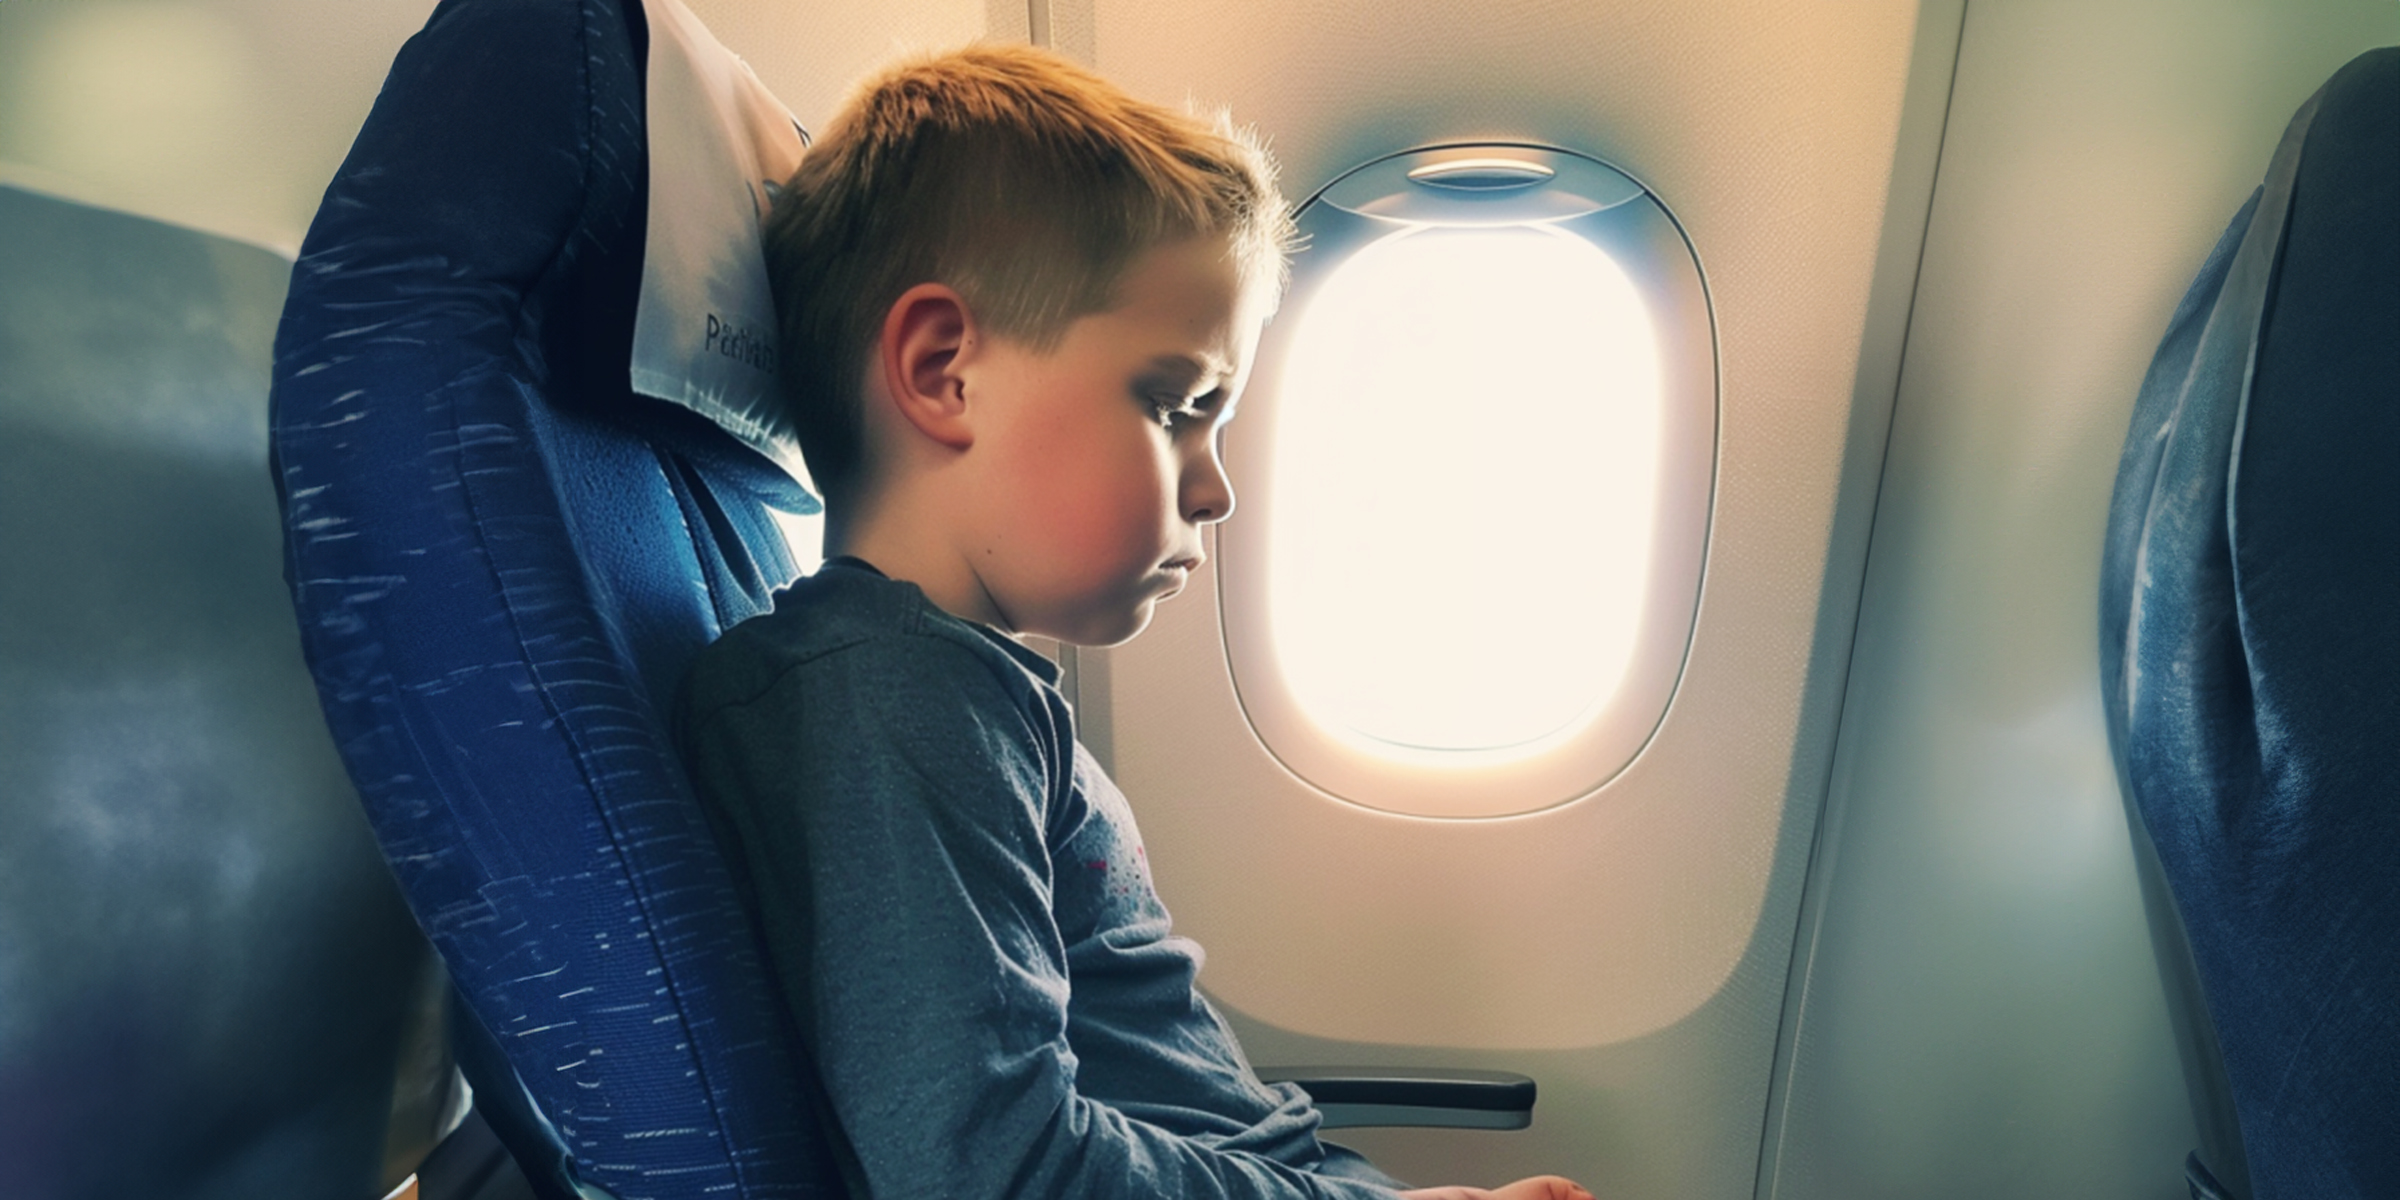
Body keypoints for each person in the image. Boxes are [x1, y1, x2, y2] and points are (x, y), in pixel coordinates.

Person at [674, 43, 1594, 1200]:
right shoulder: (889, 705)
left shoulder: (947, 686)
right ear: (943, 368)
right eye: (1174, 407)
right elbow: (994, 1170)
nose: (1215, 489)